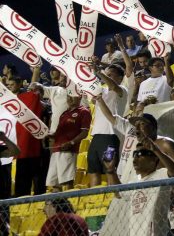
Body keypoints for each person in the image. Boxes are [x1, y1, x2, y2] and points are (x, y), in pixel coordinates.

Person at [87, 59, 128, 187]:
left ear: (120, 78)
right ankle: (95, 200)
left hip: (110, 136)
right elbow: (90, 93)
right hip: (96, 136)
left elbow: (113, 86)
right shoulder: (101, 91)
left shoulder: (122, 90)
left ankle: (114, 200)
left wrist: (99, 72)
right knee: (93, 170)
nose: (107, 77)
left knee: (110, 170)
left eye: (110, 75)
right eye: (107, 74)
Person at [9, 75, 46, 197]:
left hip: (34, 150)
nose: (9, 87)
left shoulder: (26, 99)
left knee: (36, 183)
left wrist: (35, 71)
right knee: (23, 186)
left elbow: (34, 95)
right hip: (21, 150)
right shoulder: (15, 101)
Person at [46, 95, 90, 192]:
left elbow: (84, 133)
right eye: (68, 96)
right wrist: (50, 135)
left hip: (68, 150)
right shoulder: (64, 113)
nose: (69, 99)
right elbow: (58, 133)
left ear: (79, 97)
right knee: (54, 183)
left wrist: (71, 143)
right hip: (56, 150)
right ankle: (56, 205)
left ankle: (69, 204)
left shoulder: (84, 112)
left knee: (67, 181)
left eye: (72, 96)